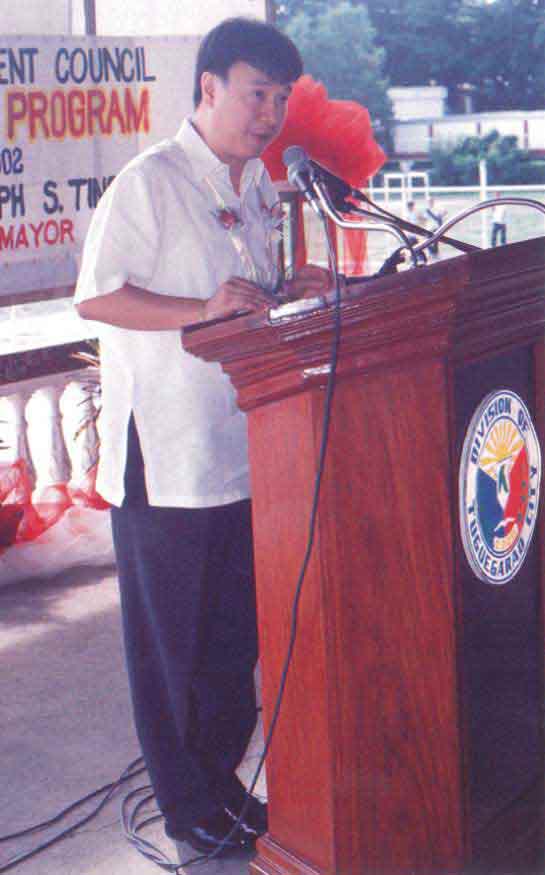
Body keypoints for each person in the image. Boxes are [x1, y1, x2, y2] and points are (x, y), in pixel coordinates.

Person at [74, 17, 329, 859]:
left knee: (232, 643)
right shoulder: (149, 182)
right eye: (258, 93)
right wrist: (202, 313)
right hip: (167, 453)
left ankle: (218, 787)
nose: (271, 112)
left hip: (243, 443)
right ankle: (188, 809)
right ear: (209, 88)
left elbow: (242, 294)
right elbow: (98, 298)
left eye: (282, 98)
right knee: (171, 650)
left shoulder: (255, 184)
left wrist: (288, 287)